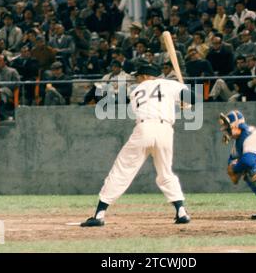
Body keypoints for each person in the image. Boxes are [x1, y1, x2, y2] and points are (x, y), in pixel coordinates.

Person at [81, 63, 192, 227]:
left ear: (146, 76)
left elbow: (150, 106)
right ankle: (181, 211)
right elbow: (195, 97)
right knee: (166, 172)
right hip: (165, 131)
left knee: (122, 169)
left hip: (144, 128)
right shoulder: (171, 84)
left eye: (138, 76)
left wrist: (182, 102)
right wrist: (186, 102)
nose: (137, 79)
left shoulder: (135, 91)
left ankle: (99, 214)